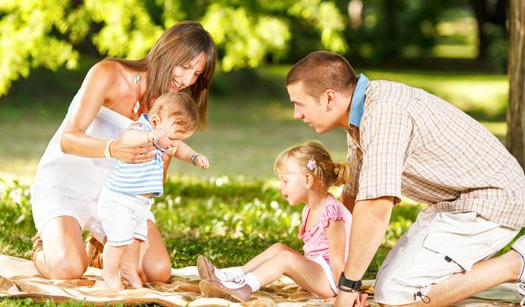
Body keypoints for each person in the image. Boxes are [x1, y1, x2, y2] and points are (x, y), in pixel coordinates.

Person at [285, 50, 525, 307]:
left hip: (493, 199)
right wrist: (336, 268)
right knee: (387, 283)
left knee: (396, 294)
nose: (297, 115)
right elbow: (352, 199)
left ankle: (517, 264)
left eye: (299, 104)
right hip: (454, 204)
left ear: (329, 98)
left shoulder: (384, 114)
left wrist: (348, 287)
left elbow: (376, 207)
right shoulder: (360, 116)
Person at [30, 21, 216, 283]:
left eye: (196, 74)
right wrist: (112, 149)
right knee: (68, 268)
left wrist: (163, 156)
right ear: (166, 52)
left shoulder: (171, 108)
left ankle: (99, 244)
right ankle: (42, 246)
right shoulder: (109, 73)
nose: (187, 80)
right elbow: (68, 140)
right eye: (185, 66)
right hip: (67, 186)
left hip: (119, 197)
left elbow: (155, 181)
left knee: (155, 272)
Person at [198, 141, 363, 303]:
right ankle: (231, 276)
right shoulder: (309, 209)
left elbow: (338, 261)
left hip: (334, 282)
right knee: (279, 248)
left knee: (286, 258)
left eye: (285, 181)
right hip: (321, 274)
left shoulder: (332, 214)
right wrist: (306, 280)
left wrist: (346, 296)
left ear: (307, 180)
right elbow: (314, 253)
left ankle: (243, 288)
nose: (280, 187)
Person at [98, 92, 207, 291]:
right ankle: (109, 271)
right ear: (156, 122)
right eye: (173, 138)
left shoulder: (167, 138)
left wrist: (194, 156)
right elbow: (128, 138)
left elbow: (180, 148)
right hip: (120, 199)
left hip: (141, 204)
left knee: (136, 240)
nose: (174, 144)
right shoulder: (141, 130)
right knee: (119, 241)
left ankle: (129, 271)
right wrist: (150, 137)